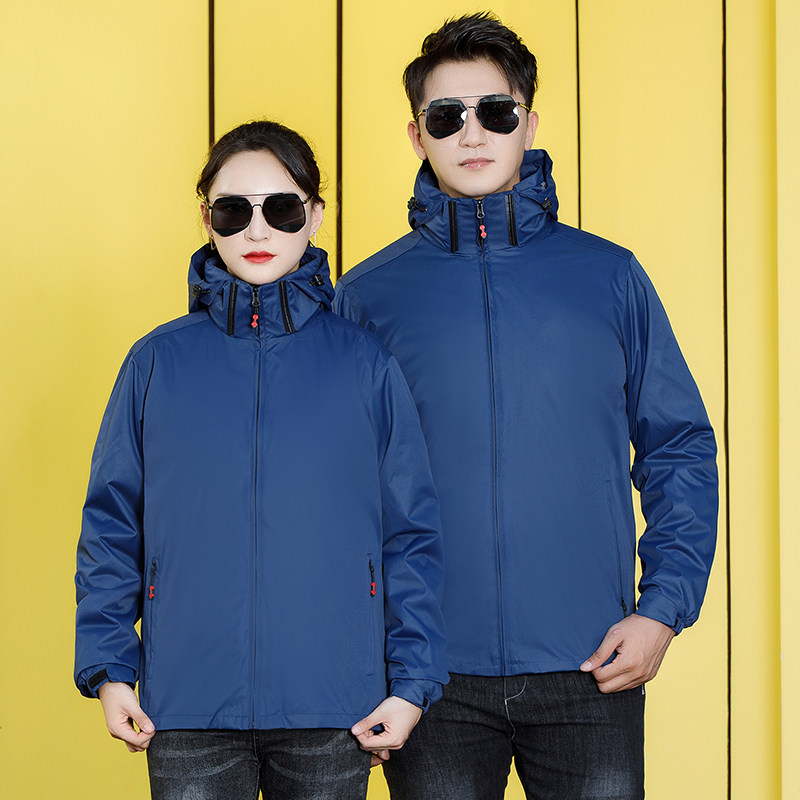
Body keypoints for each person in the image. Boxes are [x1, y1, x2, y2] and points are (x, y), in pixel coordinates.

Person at [334, 12, 718, 800]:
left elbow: (678, 445)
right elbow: (333, 487)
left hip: (590, 665)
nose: (472, 133)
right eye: (447, 116)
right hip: (428, 676)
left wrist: (663, 610)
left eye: (496, 112)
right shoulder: (367, 296)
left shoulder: (610, 277)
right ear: (417, 136)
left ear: (530, 124)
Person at [74, 120, 447, 800]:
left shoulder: (364, 363)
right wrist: (110, 670)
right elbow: (111, 525)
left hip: (335, 706)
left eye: (281, 208)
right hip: (187, 707)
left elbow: (410, 533)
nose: (257, 230)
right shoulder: (155, 363)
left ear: (316, 215)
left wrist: (413, 684)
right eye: (232, 210)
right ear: (206, 217)